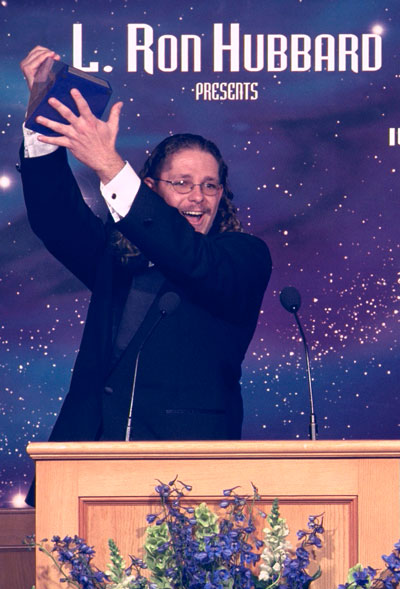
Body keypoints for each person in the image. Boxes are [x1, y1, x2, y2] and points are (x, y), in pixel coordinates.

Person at [20, 47, 272, 505]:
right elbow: (54, 217)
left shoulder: (241, 257)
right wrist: (43, 121)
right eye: (182, 183)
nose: (198, 197)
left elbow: (188, 258)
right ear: (152, 189)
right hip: (85, 462)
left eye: (210, 185)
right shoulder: (119, 257)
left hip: (189, 475)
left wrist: (109, 165)